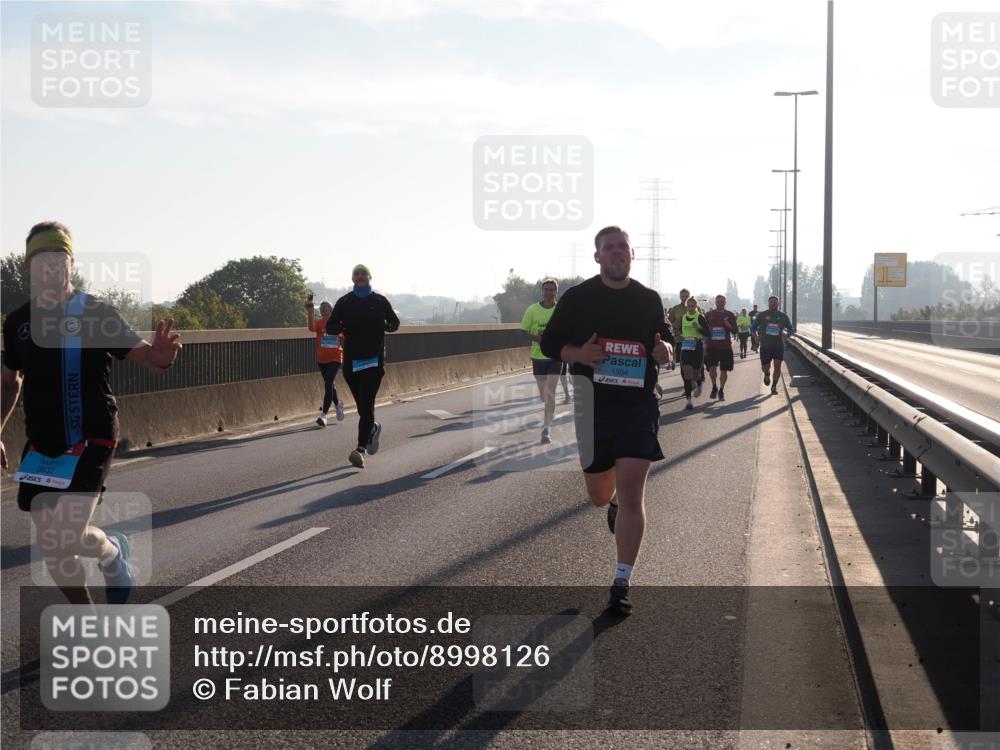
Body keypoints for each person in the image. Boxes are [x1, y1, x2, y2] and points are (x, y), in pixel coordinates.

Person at [1, 221, 181, 606]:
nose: (51, 266)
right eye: (41, 258)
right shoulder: (18, 322)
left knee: (66, 536)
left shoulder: (95, 313)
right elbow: (8, 382)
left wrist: (161, 358)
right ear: (27, 267)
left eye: (59, 258)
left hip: (92, 436)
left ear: (71, 264)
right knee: (54, 547)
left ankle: (113, 554)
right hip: (43, 444)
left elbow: (145, 355)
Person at [541, 225, 673, 616]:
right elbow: (550, 344)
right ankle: (611, 501)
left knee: (634, 489)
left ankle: (621, 580)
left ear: (633, 255)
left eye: (623, 247)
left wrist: (665, 349)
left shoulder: (648, 299)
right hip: (592, 406)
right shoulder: (578, 298)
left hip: (638, 405)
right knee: (600, 496)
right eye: (608, 248)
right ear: (597, 256)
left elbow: (662, 341)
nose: (617, 253)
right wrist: (579, 355)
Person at [327, 264, 400, 468]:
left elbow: (394, 323)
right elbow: (331, 327)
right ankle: (373, 428)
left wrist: (383, 326)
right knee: (362, 407)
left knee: (367, 404)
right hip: (351, 362)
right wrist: (342, 326)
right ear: (353, 279)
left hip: (373, 361)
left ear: (369, 277)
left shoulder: (379, 301)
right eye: (356, 274)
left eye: (363, 273)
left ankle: (360, 449)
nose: (360, 276)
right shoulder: (345, 302)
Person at [520, 279, 564, 444]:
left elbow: (567, 329)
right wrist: (537, 338)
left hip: (555, 356)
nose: (549, 292)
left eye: (552, 290)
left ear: (556, 292)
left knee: (551, 392)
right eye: (546, 289)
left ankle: (546, 429)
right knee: (543, 394)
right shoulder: (532, 310)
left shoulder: (561, 310)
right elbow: (522, 332)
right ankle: (548, 406)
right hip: (538, 357)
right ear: (542, 291)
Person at [306, 297, 345, 426]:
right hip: (322, 359)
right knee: (330, 385)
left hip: (335, 358)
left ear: (331, 310)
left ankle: (324, 416)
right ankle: (338, 404)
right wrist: (310, 312)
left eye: (325, 307)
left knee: (328, 384)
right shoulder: (319, 323)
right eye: (321, 308)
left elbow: (348, 334)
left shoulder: (338, 324)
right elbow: (311, 328)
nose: (323, 309)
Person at [750, 295, 795, 396]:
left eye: (775, 302)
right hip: (765, 346)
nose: (773, 303)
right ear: (768, 303)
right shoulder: (762, 315)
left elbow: (791, 329)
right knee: (765, 367)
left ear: (778, 303)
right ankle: (767, 373)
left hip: (778, 346)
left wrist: (787, 335)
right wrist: (756, 336)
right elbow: (753, 328)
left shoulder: (783, 316)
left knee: (778, 366)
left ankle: (774, 386)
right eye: (771, 302)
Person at [676, 295, 710, 410]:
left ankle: (699, 384)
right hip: (686, 347)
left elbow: (708, 333)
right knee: (687, 375)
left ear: (696, 306)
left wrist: (698, 330)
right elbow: (681, 331)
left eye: (693, 306)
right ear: (687, 306)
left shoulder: (700, 317)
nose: (691, 308)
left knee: (696, 374)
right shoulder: (683, 318)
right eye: (689, 306)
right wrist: (681, 335)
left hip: (697, 348)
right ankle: (689, 401)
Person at [704, 294, 738, 401]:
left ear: (725, 302)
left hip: (725, 347)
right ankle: (714, 386)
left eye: (722, 301)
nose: (720, 303)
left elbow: (735, 330)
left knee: (724, 371)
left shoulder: (730, 315)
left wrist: (728, 325)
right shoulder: (709, 315)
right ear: (715, 302)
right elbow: (703, 331)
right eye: (718, 301)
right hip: (712, 347)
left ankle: (721, 390)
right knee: (712, 370)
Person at [666, 290, 690, 371]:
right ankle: (687, 382)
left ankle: (697, 379)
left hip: (693, 339)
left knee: (693, 362)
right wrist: (674, 325)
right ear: (680, 297)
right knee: (683, 363)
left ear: (689, 296)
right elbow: (669, 322)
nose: (685, 298)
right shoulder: (676, 308)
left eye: (686, 296)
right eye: (683, 296)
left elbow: (702, 320)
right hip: (680, 339)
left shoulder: (695, 307)